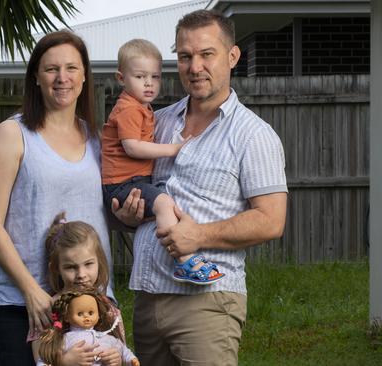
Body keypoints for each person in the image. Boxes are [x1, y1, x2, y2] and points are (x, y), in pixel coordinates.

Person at [121, 10, 288, 366]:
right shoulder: (158, 122)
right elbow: (134, 191)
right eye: (184, 56)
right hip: (148, 296)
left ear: (232, 56)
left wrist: (198, 236)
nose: (194, 66)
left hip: (208, 302)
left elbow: (271, 221)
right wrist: (126, 214)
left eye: (206, 54)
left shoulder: (253, 136)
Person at [0, 30, 122, 366]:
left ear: (85, 76)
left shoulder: (97, 139)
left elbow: (105, 213)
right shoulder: (13, 135)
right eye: (51, 69)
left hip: (93, 303)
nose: (62, 78)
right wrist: (31, 290)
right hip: (29, 306)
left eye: (72, 68)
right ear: (35, 77)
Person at [101, 38, 223, 285]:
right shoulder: (129, 109)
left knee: (164, 206)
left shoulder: (142, 107)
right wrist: (173, 149)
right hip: (122, 183)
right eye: (140, 76)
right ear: (121, 78)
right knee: (164, 204)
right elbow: (132, 146)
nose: (149, 83)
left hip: (131, 181)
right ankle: (185, 260)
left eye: (154, 77)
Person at [29, 212, 127, 363]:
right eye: (70, 267)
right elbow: (40, 360)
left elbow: (122, 351)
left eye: (88, 264)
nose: (81, 274)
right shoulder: (48, 310)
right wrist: (64, 362)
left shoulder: (108, 309)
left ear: (99, 263)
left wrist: (118, 359)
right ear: (56, 269)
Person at [38, 288, 139, 366]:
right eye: (80, 313)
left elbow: (122, 349)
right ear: (67, 317)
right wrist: (64, 361)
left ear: (98, 315)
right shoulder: (65, 339)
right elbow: (45, 359)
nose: (86, 316)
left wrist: (130, 360)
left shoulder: (106, 338)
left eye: (91, 313)